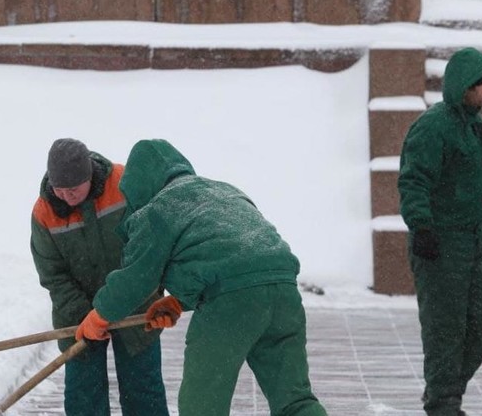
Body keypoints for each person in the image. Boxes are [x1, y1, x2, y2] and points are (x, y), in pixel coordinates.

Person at [75, 139, 327, 416]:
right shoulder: (226, 192)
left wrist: (99, 316)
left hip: (231, 305)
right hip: (283, 292)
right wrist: (178, 302)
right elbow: (226, 253)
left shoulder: (160, 208)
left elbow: (136, 278)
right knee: (294, 400)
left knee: (203, 407)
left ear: (138, 186)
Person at [398, 47, 482, 416]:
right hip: (440, 241)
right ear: (464, 86)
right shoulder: (434, 126)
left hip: (473, 239)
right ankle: (444, 403)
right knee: (446, 328)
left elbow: (472, 175)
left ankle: (445, 392)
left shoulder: (476, 127)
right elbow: (414, 180)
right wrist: (422, 226)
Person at [30, 138, 169, 416]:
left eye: (73, 190)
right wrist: (86, 314)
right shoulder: (44, 212)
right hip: (77, 316)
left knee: (143, 389)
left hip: (134, 304)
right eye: (59, 189)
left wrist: (136, 294)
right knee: (83, 395)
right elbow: (53, 275)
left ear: (89, 174)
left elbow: (151, 244)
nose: (66, 197)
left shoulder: (125, 184)